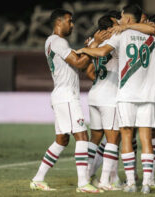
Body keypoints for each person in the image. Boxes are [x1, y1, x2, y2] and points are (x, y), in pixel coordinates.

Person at [76, 4, 155, 194]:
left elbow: (102, 52)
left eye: (122, 17)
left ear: (128, 19)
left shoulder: (121, 34)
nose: (120, 21)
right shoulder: (152, 37)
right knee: (146, 138)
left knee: (127, 137)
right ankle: (147, 183)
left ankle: (131, 183)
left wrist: (84, 50)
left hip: (126, 96)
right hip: (148, 96)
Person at [30, 8, 107, 193]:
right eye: (69, 21)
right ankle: (83, 184)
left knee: (62, 140)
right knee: (82, 136)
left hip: (61, 95)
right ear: (59, 22)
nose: (72, 25)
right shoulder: (58, 41)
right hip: (66, 96)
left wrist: (89, 48)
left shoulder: (53, 42)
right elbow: (80, 63)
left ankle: (38, 179)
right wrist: (95, 44)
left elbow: (78, 63)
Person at [85, 14, 122, 191]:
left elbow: (89, 71)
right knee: (113, 140)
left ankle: (86, 175)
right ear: (112, 25)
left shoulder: (93, 40)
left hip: (94, 93)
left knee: (95, 138)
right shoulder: (116, 39)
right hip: (109, 96)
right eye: (118, 21)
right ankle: (106, 181)